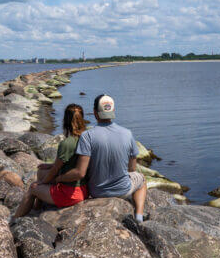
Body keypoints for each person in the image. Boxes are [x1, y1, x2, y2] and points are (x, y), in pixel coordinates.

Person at [54, 94, 147, 222]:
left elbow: (80, 172)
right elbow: (132, 168)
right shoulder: (127, 133)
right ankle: (139, 217)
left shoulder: (87, 136)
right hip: (122, 190)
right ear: (113, 111)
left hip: (97, 192)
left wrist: (59, 178)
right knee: (141, 179)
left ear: (95, 113)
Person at [11, 103, 89, 218]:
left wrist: (41, 183)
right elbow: (66, 164)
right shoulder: (86, 139)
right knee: (41, 172)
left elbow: (55, 169)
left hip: (69, 194)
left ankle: (14, 219)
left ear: (65, 121)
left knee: (32, 188)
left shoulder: (67, 143)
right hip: (83, 189)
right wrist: (49, 166)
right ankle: (38, 208)